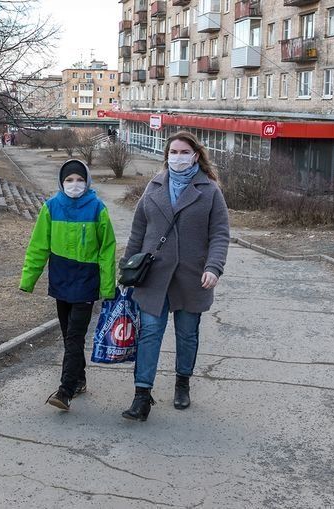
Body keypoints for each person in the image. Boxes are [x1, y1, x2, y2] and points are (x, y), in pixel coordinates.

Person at [120, 131, 230, 421]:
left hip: (192, 277)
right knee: (150, 334)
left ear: (195, 155)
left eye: (184, 152)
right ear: (166, 155)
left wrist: (213, 267)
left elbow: (220, 234)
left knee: (187, 334)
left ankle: (183, 383)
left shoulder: (209, 191)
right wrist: (126, 269)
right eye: (173, 152)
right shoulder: (154, 187)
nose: (177, 157)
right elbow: (138, 232)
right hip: (154, 277)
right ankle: (142, 395)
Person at [20, 159, 116, 411]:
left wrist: (107, 287)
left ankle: (65, 391)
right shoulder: (51, 208)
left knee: (75, 336)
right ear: (61, 183)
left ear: (87, 181)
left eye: (79, 179)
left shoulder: (98, 208)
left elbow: (107, 251)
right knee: (68, 336)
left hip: (86, 282)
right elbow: (38, 246)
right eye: (69, 180)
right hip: (61, 281)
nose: (75, 184)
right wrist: (28, 279)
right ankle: (80, 378)